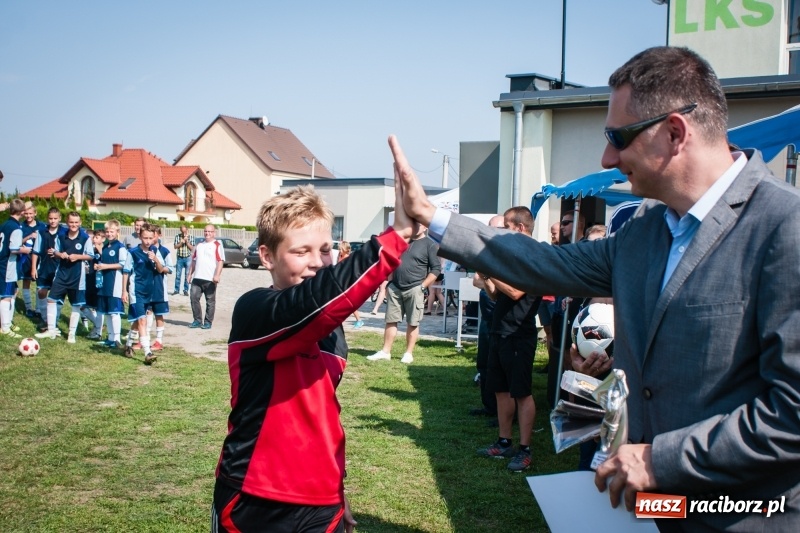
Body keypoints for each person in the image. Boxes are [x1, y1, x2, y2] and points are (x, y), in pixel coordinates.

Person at [391, 46, 800, 530]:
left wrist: (658, 460)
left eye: (617, 137)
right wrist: (433, 218)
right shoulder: (647, 230)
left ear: (674, 132)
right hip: (651, 512)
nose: (607, 157)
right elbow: (543, 262)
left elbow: (790, 416)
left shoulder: (783, 228)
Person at [211, 184, 412, 532]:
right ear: (267, 256)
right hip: (256, 496)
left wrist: (338, 488)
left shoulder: (331, 328)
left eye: (325, 250)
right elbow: (312, 302)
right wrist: (396, 236)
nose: (318, 262)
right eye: (301, 251)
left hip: (322, 503)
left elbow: (322, 416)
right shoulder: (254, 310)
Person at [475, 206, 541, 473]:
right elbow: (497, 296)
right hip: (500, 332)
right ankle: (504, 442)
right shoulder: (513, 256)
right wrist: (485, 279)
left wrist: (490, 273)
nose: (501, 231)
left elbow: (515, 292)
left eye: (506, 226)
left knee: (522, 393)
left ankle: (525, 450)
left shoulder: (533, 257)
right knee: (501, 390)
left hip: (518, 335)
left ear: (520, 228)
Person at [367, 223, 441, 364]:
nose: (416, 226)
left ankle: (408, 353)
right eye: (414, 224)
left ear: (425, 227)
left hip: (415, 288)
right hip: (396, 287)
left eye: (419, 224)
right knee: (390, 320)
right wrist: (390, 283)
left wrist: (423, 286)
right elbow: (392, 261)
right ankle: (385, 351)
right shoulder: (404, 241)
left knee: (413, 322)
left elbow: (436, 268)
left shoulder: (429, 245)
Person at [35, 211, 92, 343]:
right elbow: (54, 252)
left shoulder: (85, 238)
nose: (73, 225)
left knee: (76, 305)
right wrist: (60, 255)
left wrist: (77, 257)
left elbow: (90, 255)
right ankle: (51, 329)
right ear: (67, 222)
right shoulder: (61, 236)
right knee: (51, 300)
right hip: (61, 274)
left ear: (80, 223)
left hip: (77, 276)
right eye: (71, 222)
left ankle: (71, 333)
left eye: (76, 222)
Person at [469, 215, 505, 420]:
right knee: (484, 362)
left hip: (502, 320)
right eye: (489, 227)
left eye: (496, 228)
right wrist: (490, 281)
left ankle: (500, 412)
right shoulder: (485, 252)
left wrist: (489, 281)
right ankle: (488, 406)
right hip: (486, 317)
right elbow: (476, 281)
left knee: (498, 366)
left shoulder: (506, 253)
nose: (491, 231)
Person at [122, 223, 167, 364]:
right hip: (136, 291)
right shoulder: (133, 253)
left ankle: (128, 345)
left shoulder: (155, 250)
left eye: (150, 238)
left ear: (154, 237)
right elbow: (126, 272)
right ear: (140, 237)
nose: (148, 241)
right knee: (143, 320)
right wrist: (124, 290)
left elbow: (160, 270)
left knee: (137, 320)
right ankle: (148, 352)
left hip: (150, 291)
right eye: (145, 238)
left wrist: (156, 259)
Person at [94, 219, 127, 347]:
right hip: (105, 283)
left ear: (117, 232)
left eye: (111, 231)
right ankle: (110, 337)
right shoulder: (106, 246)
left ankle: (117, 339)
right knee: (107, 311)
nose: (109, 234)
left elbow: (123, 264)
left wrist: (105, 266)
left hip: (115, 284)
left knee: (114, 312)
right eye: (107, 231)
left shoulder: (120, 247)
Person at [0, 199, 31, 338]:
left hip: (3, 263)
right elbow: (13, 248)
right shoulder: (16, 228)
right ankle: (5, 328)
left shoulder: (5, 224)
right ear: (22, 211)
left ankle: (7, 322)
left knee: (13, 291)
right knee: (6, 296)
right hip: (7, 265)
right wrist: (25, 250)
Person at [30, 207, 64, 332]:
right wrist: (33, 268)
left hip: (58, 268)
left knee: (55, 297)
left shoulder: (63, 232)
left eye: (55, 218)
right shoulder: (41, 232)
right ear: (47, 219)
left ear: (60, 219)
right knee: (41, 292)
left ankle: (53, 322)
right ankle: (45, 319)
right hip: (44, 267)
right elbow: (35, 251)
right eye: (50, 218)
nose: (53, 221)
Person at [188, 224, 224, 329]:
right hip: (197, 277)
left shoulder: (217, 245)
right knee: (194, 298)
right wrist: (190, 274)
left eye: (210, 231)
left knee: (210, 301)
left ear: (214, 233)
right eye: (206, 231)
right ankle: (197, 320)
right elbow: (194, 261)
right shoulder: (199, 245)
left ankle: (208, 322)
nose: (207, 233)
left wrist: (217, 275)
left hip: (210, 279)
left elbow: (220, 261)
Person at [18, 202, 46, 318]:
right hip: (26, 258)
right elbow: (17, 242)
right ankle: (29, 308)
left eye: (31, 213)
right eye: (26, 213)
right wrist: (29, 237)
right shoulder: (21, 226)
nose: (28, 216)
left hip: (39, 259)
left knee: (40, 284)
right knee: (26, 282)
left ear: (35, 213)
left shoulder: (42, 226)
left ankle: (39, 309)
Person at [148, 225, 173, 351]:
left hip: (159, 287)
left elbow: (170, 268)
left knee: (159, 314)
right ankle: (144, 338)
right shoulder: (144, 250)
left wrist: (161, 268)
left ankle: (159, 340)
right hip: (146, 287)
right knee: (146, 313)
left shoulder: (164, 251)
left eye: (154, 235)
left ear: (158, 236)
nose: (151, 238)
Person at [80, 229, 105, 339]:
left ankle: (98, 331)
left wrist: (101, 251)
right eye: (94, 237)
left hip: (99, 281)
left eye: (97, 237)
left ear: (103, 239)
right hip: (89, 279)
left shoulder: (105, 250)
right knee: (82, 305)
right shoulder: (91, 250)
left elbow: (108, 261)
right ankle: (97, 325)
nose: (94, 239)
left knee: (98, 307)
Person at [337, 241, 364, 328]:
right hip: (340, 282)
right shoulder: (340, 256)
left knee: (349, 303)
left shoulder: (348, 258)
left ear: (345, 249)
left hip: (346, 283)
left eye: (340, 249)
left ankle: (359, 320)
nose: (339, 250)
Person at [173, 224, 193, 296]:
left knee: (187, 275)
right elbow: (175, 247)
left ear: (187, 230)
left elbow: (192, 248)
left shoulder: (191, 237)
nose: (184, 233)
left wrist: (187, 242)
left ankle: (185, 290)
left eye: (185, 231)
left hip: (188, 258)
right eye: (182, 231)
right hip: (180, 258)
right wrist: (181, 242)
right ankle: (176, 290)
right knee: (178, 275)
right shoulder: (177, 237)